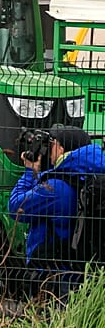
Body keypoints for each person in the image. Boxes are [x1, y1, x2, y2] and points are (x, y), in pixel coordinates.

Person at [8, 126, 105, 297]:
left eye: (51, 144)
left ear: (61, 148)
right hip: (85, 273)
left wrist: (30, 171)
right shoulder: (92, 178)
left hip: (53, 278)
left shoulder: (55, 188)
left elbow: (16, 207)